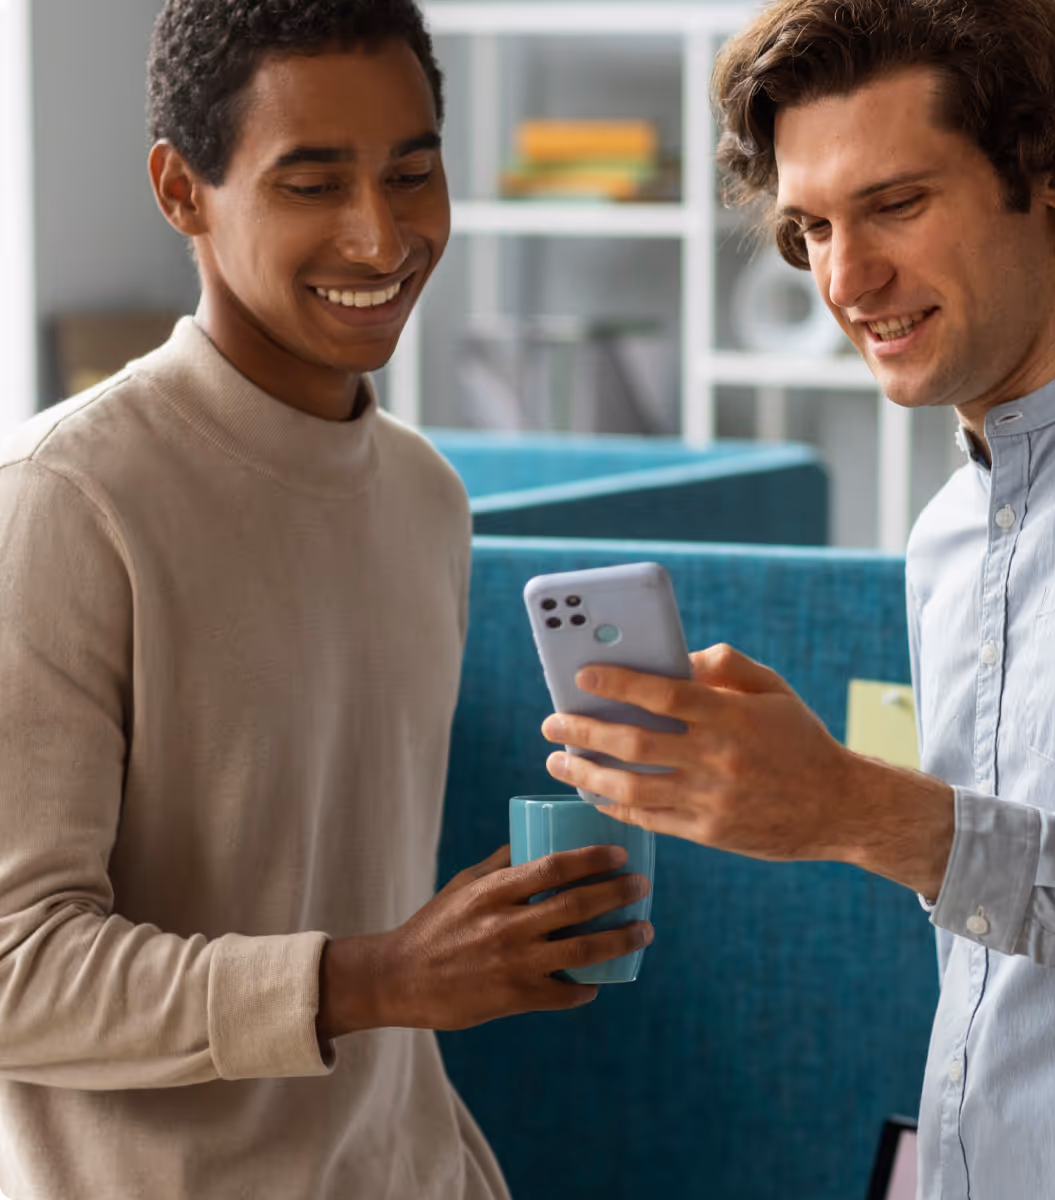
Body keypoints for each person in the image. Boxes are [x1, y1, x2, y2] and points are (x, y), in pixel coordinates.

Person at [540, 1, 1055, 1196]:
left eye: (895, 204)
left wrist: (864, 812)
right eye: (812, 227)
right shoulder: (948, 534)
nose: (845, 280)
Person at [0, 2, 651, 1197]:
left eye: (411, 174)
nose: (381, 237)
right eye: (312, 184)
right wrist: (376, 979)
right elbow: (13, 971)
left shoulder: (424, 498)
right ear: (182, 191)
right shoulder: (64, 503)